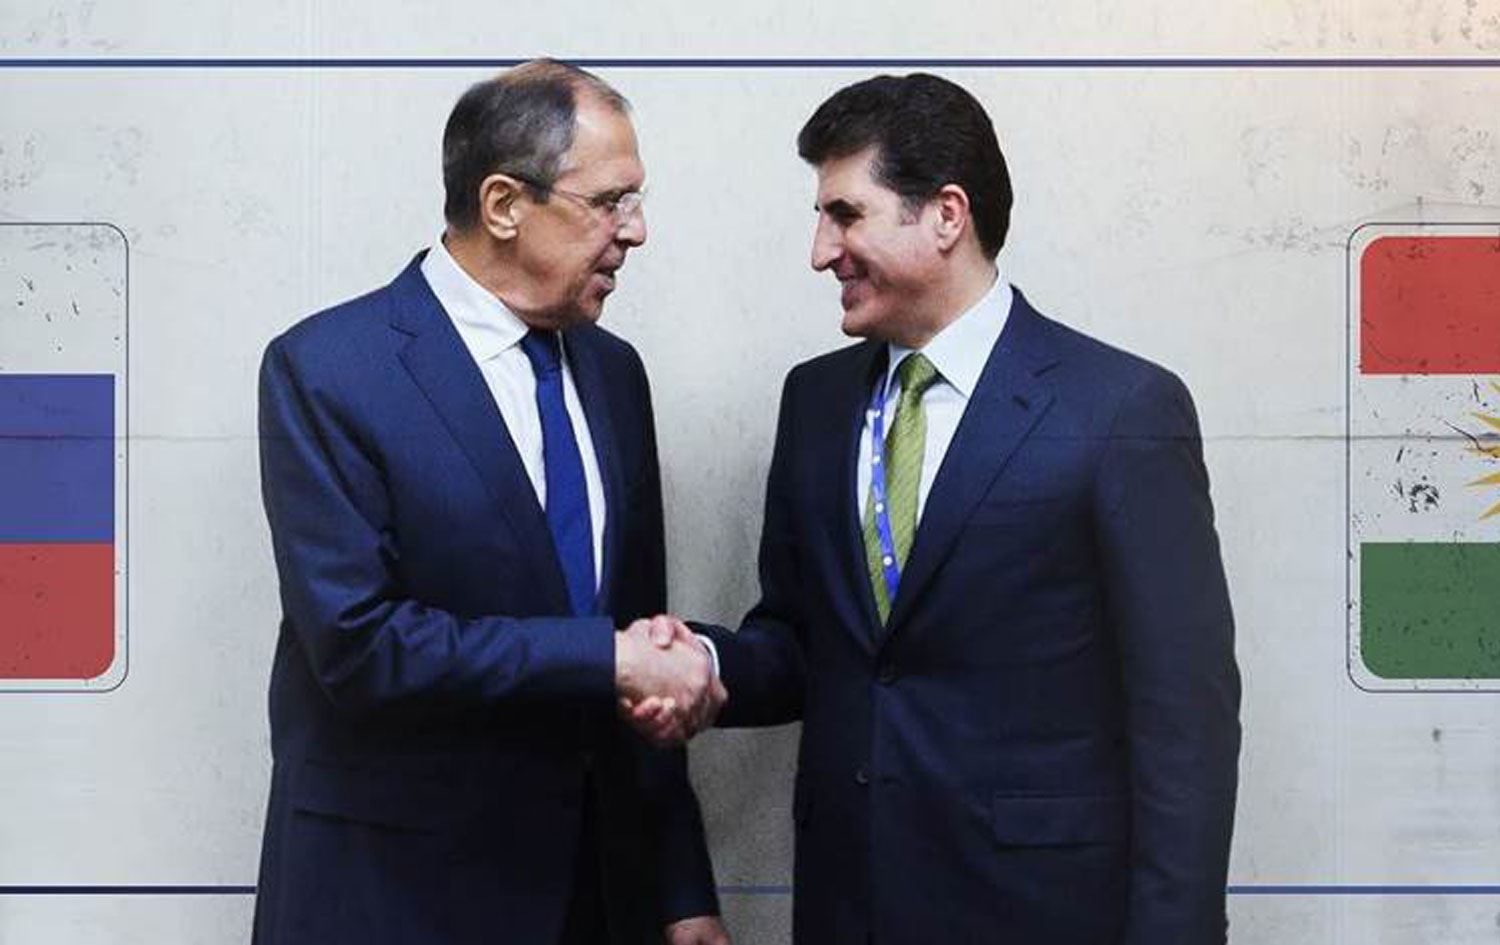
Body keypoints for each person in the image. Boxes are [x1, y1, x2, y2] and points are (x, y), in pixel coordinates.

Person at [638, 73, 1242, 944]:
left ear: (946, 215)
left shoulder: (1119, 410)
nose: (820, 251)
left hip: (1040, 915)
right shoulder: (816, 402)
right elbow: (805, 645)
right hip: (850, 910)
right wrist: (696, 659)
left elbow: (1185, 720)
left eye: (845, 214)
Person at [252, 60, 728, 945]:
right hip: (395, 902)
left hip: (592, 902)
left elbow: (636, 635)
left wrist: (679, 887)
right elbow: (359, 646)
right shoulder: (328, 371)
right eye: (610, 201)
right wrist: (607, 657)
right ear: (504, 203)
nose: (637, 231)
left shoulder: (614, 374)